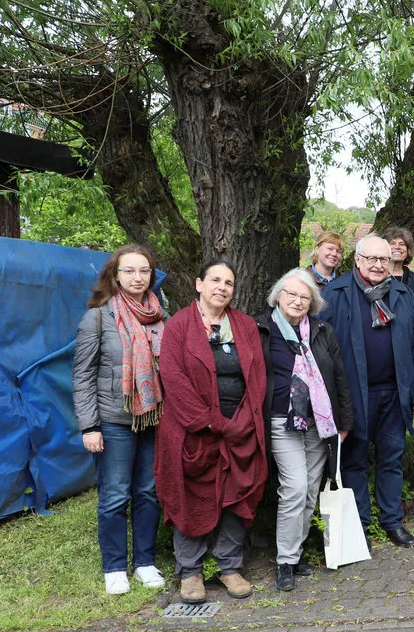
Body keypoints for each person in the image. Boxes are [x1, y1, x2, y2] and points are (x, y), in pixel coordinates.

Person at [155, 259, 267, 604]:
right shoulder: (178, 326)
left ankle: (228, 566)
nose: (222, 287)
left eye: (229, 283)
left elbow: (258, 376)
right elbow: (173, 379)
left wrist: (243, 421)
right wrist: (214, 423)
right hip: (194, 432)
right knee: (191, 498)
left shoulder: (245, 326)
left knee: (238, 496)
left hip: (240, 430)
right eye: (215, 280)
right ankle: (189, 572)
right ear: (198, 284)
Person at [320, 235, 414, 547]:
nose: (379, 264)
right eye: (372, 259)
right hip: (354, 395)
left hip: (395, 393)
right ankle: (361, 527)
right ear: (357, 260)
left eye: (384, 259)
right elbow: (321, 347)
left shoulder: (402, 292)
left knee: (391, 459)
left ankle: (392, 522)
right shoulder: (336, 292)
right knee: (353, 460)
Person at [72, 244, 168, 595]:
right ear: (115, 275)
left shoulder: (161, 317)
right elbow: (83, 375)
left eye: (144, 271)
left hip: (154, 419)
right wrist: (89, 426)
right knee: (114, 496)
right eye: (129, 270)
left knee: (148, 492)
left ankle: (144, 562)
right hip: (113, 421)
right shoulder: (98, 317)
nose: (137, 277)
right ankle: (114, 567)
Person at [256, 269, 354, 592]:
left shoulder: (323, 331)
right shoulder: (261, 329)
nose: (298, 301)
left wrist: (345, 420)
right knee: (295, 487)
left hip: (319, 422)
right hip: (281, 421)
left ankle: (295, 555)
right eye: (292, 294)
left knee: (311, 489)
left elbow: (339, 376)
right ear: (278, 296)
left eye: (304, 296)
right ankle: (285, 561)